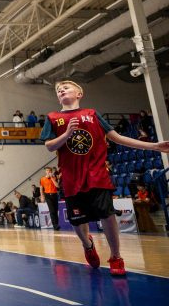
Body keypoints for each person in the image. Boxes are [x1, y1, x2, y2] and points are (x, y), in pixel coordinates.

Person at [40, 80, 169, 276]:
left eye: (66, 87)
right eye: (58, 90)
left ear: (79, 93)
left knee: (107, 215)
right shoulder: (52, 118)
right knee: (77, 222)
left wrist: (154, 146)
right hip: (71, 177)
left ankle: (116, 256)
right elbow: (49, 146)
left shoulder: (92, 114)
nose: (61, 90)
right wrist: (67, 134)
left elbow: (118, 138)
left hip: (96, 174)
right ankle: (88, 244)